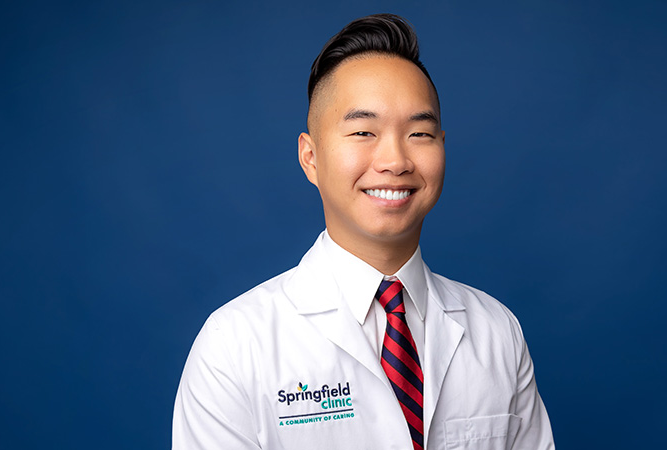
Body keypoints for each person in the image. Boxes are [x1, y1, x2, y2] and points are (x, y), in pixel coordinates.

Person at [173, 13, 554, 450]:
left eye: (419, 133)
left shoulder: (496, 330)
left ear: (442, 147)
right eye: (363, 131)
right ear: (311, 157)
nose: (395, 160)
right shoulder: (234, 346)